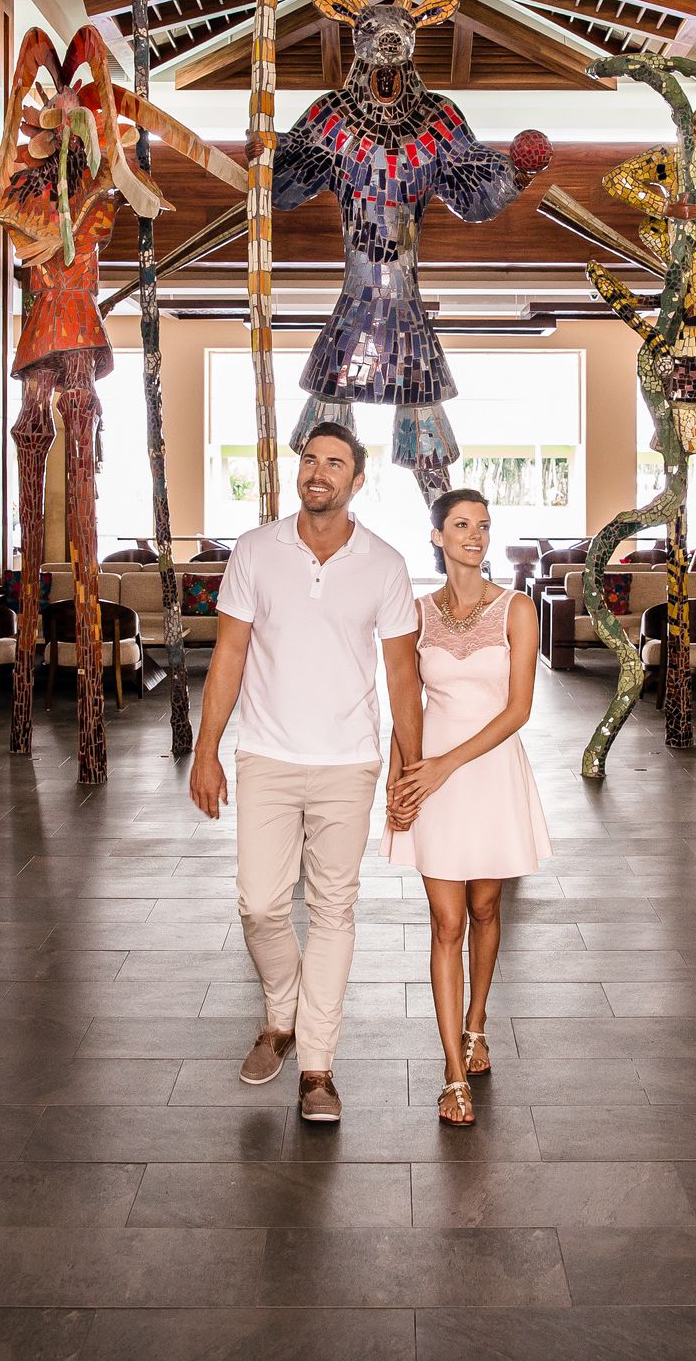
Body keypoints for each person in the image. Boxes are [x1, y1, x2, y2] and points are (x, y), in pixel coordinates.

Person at [187, 421, 421, 1127]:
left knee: (332, 911)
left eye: (335, 463)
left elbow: (402, 674)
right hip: (266, 754)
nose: (319, 472)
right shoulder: (256, 550)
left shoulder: (385, 564)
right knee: (260, 905)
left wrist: (409, 768)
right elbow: (229, 655)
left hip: (349, 760)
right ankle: (280, 1012)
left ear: (357, 480)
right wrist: (206, 749)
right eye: (311, 460)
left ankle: (316, 1064)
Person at [384, 489, 549, 1127]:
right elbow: (406, 705)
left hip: (489, 772)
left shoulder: (516, 609)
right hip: (430, 780)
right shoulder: (416, 614)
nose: (475, 536)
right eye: (461, 525)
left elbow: (519, 710)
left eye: (483, 525)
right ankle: (453, 1071)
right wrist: (398, 782)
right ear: (437, 536)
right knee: (445, 922)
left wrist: (445, 764)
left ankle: (477, 1021)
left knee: (484, 908)